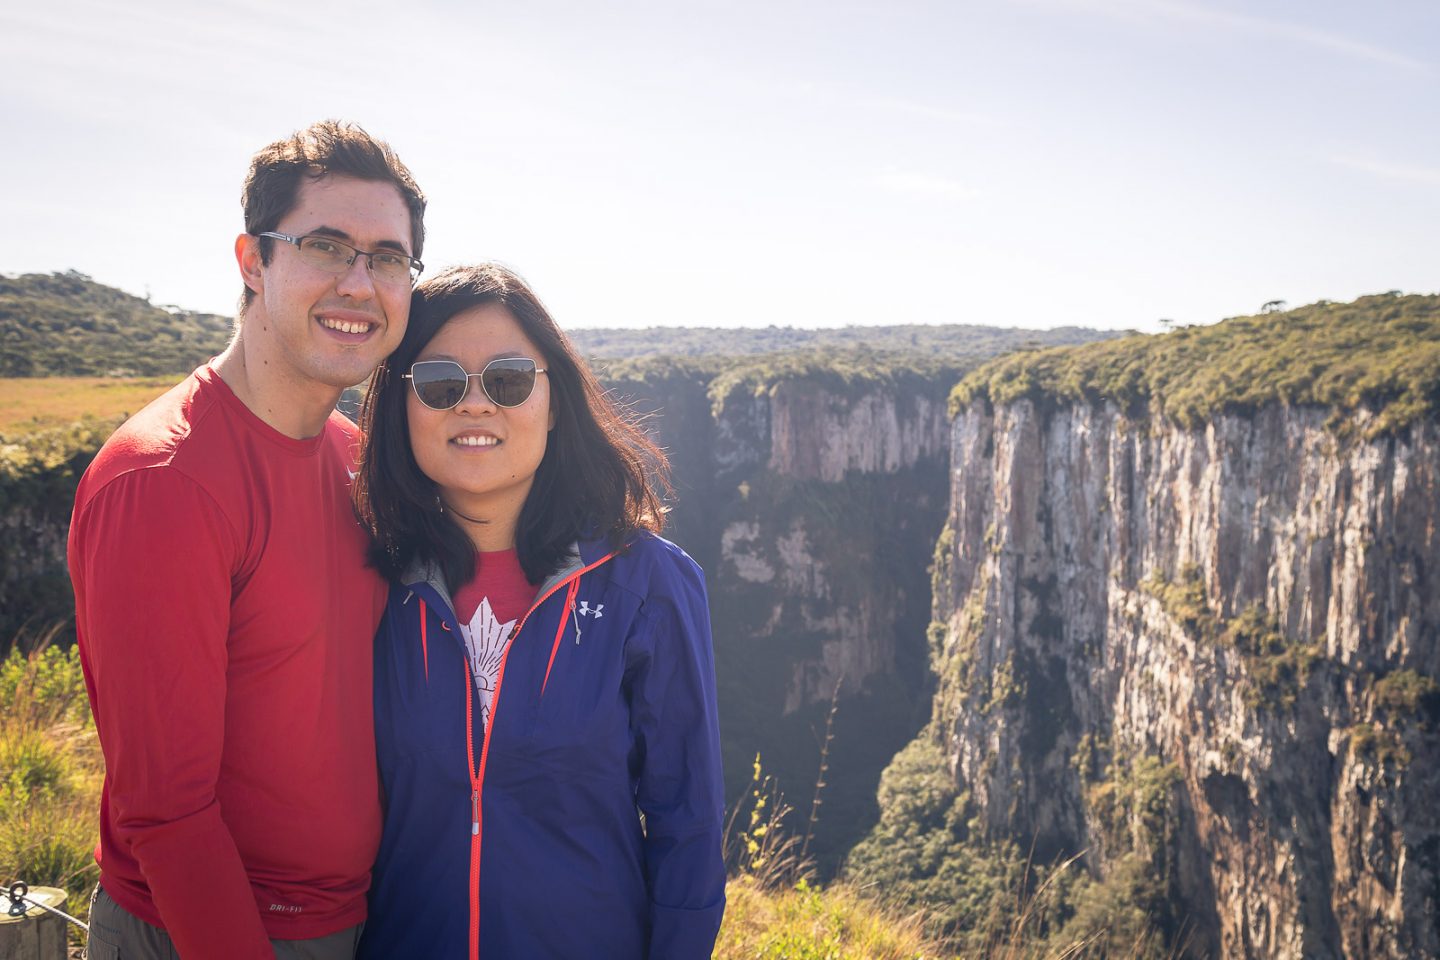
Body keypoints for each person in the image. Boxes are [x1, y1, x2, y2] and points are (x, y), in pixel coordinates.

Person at [68, 120, 426, 960]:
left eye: (388, 258)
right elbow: (166, 813)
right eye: (327, 246)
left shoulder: (351, 457)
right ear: (251, 260)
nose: (359, 283)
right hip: (205, 932)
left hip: (355, 919)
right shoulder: (166, 482)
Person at [352, 264, 726, 959]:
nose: (475, 406)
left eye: (509, 380)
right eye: (438, 384)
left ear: (553, 402)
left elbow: (690, 830)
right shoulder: (370, 583)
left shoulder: (647, 585)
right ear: (401, 406)